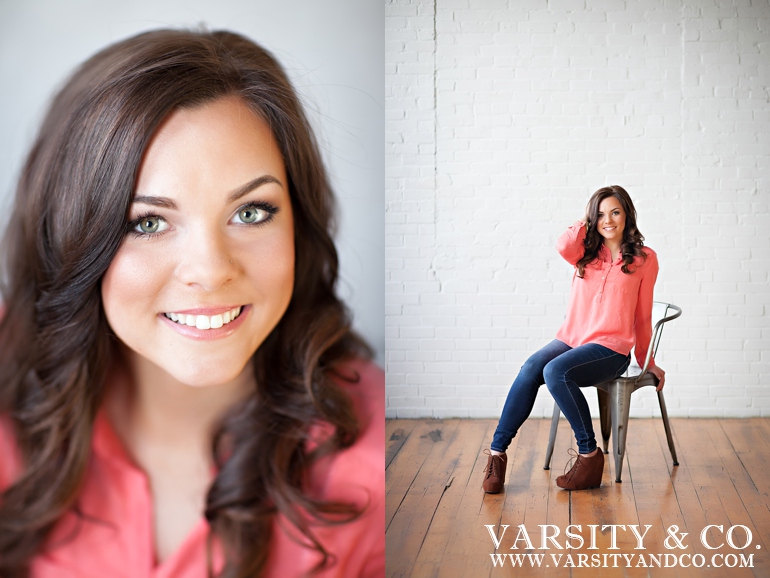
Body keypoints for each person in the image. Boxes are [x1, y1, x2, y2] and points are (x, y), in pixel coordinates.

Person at [0, 29, 384, 577]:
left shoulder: (376, 469)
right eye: (148, 222)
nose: (210, 271)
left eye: (251, 212)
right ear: (67, 236)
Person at [483, 185, 665, 494]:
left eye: (615, 212)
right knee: (531, 368)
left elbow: (643, 317)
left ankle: (589, 456)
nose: (608, 220)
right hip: (572, 338)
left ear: (627, 214)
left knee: (556, 371)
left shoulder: (645, 259)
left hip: (610, 349)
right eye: (601, 214)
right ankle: (497, 454)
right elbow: (563, 244)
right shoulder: (584, 252)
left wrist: (648, 361)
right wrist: (586, 219)